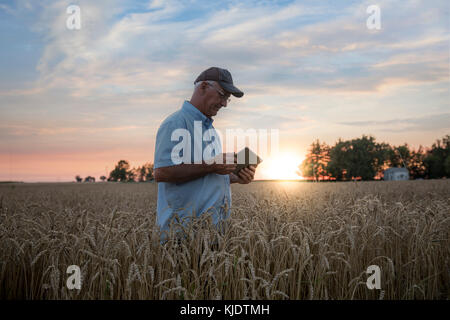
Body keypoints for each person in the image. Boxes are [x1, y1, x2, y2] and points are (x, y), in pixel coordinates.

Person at [153, 67, 256, 240]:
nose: (224, 103)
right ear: (203, 87)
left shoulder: (212, 131)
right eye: (222, 95)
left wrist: (236, 177)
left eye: (227, 99)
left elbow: (207, 176)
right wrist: (211, 165)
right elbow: (162, 172)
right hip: (182, 236)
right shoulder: (175, 124)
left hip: (213, 235)